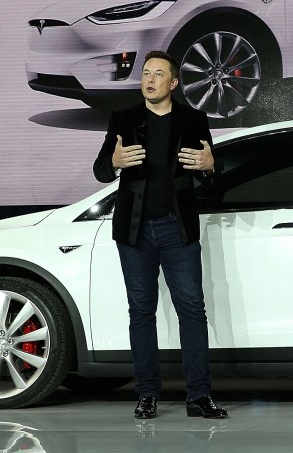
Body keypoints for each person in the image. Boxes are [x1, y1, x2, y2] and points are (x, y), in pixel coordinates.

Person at [93, 50, 228, 420]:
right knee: (141, 312)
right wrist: (114, 163)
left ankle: (199, 396)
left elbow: (211, 174)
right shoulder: (123, 119)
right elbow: (101, 169)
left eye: (158, 74)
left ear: (173, 83)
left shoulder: (193, 119)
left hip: (177, 227)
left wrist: (211, 167)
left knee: (193, 311)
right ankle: (147, 394)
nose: (149, 80)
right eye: (145, 74)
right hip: (134, 230)